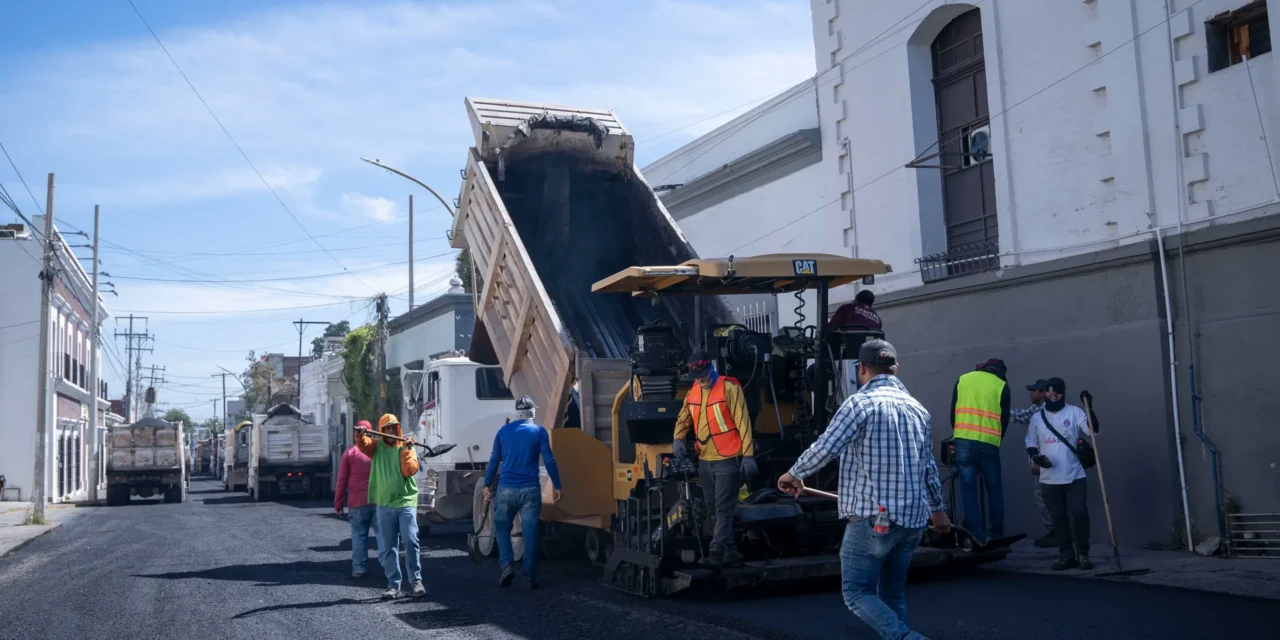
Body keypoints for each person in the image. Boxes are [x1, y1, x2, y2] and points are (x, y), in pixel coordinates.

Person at [778, 339, 949, 640]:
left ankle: (908, 639)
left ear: (862, 369)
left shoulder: (860, 404)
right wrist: (938, 511)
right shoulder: (918, 409)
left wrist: (794, 474)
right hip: (912, 520)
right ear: (896, 369)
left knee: (856, 592)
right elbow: (929, 467)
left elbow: (827, 446)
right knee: (893, 594)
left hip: (874, 519)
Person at [672, 350, 756, 568]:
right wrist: (678, 439)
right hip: (706, 459)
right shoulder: (694, 391)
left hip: (728, 458)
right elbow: (684, 418)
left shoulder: (729, 387)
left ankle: (716, 552)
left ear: (712, 368)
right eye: (699, 376)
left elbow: (743, 422)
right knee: (711, 506)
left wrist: (748, 455)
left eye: (705, 374)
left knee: (723, 507)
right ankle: (731, 551)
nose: (703, 379)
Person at [483, 395, 562, 590]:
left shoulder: (503, 431)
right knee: (531, 533)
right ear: (532, 412)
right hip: (530, 489)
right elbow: (549, 460)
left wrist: (487, 484)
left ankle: (507, 564)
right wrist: (557, 485)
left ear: (517, 411)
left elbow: (494, 460)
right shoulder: (538, 431)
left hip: (506, 489)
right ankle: (530, 577)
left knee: (502, 528)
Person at [1025, 378, 1101, 571]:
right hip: (1049, 477)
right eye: (1050, 391)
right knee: (1058, 518)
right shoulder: (1037, 418)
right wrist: (1036, 458)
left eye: (1058, 392)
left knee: (1079, 514)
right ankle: (1066, 555)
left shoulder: (1074, 412)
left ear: (1063, 393)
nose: (1054, 395)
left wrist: (1089, 408)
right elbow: (1031, 443)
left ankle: (1083, 554)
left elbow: (1093, 430)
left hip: (1074, 474)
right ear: (1045, 393)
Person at [355, 413, 424, 599]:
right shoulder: (376, 447)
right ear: (382, 431)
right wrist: (361, 435)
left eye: (393, 427)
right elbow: (363, 444)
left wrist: (407, 452)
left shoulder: (406, 447)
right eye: (387, 428)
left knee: (410, 541)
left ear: (398, 429)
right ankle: (393, 585)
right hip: (385, 503)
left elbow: (409, 471)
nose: (391, 431)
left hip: (406, 501)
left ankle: (416, 582)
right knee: (389, 547)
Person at [950, 358, 1012, 543]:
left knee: (968, 490)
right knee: (994, 488)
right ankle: (997, 532)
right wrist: (996, 440)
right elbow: (1004, 419)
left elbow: (952, 412)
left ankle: (977, 534)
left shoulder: (963, 379)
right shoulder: (1001, 385)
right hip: (988, 443)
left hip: (963, 442)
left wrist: (959, 433)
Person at [1009, 380, 1055, 547]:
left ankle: (1056, 531)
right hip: (1047, 462)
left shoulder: (1046, 411)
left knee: (1045, 496)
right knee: (1045, 496)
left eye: (1034, 391)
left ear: (1043, 393)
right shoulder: (1037, 409)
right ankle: (1056, 531)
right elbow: (1019, 415)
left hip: (1046, 463)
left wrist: (1039, 461)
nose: (1031, 394)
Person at [335, 420, 379, 578]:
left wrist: (338, 504)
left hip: (357, 502)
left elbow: (342, 480)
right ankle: (388, 567)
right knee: (382, 535)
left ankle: (359, 569)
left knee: (359, 536)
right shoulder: (378, 451)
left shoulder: (350, 453)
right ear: (371, 433)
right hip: (378, 500)